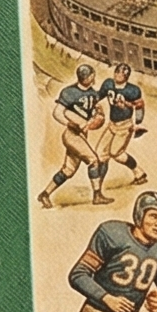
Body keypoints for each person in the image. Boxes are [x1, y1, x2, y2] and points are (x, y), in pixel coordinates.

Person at [38, 62, 109, 208]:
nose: (94, 78)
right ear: (87, 77)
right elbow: (57, 112)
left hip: (82, 135)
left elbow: (95, 113)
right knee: (93, 160)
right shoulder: (69, 92)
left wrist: (98, 116)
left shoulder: (92, 94)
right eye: (91, 75)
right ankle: (97, 196)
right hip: (72, 135)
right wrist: (68, 123)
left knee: (68, 170)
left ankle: (44, 194)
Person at [96, 62, 148, 187]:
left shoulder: (132, 90)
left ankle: (139, 172)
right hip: (112, 124)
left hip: (125, 125)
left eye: (122, 73)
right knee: (100, 154)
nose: (118, 75)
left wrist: (137, 123)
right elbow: (98, 96)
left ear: (127, 76)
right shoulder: (108, 84)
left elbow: (140, 106)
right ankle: (98, 185)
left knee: (116, 153)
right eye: (117, 72)